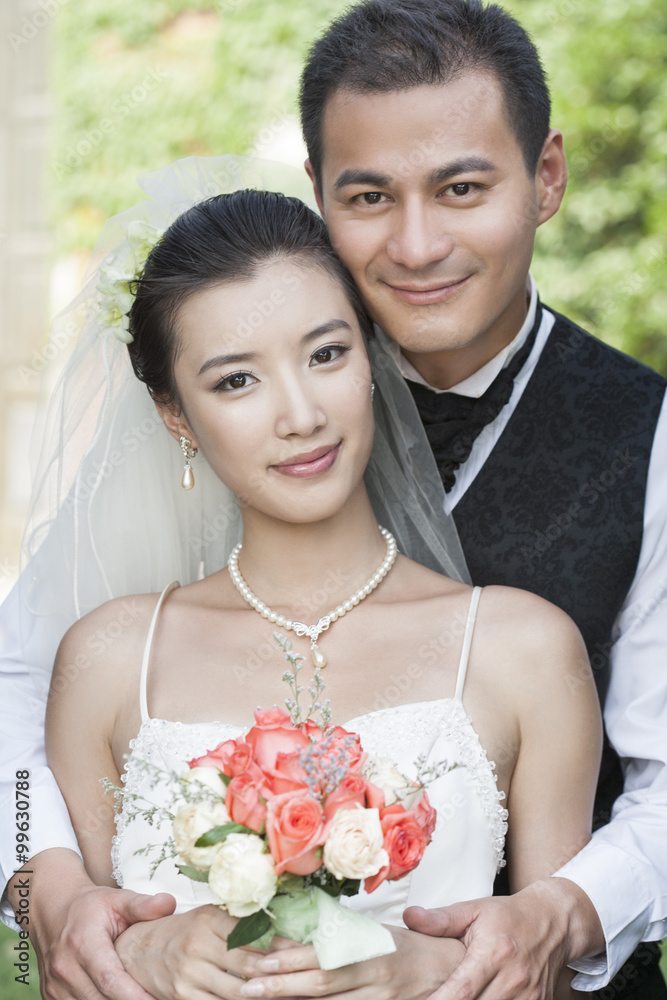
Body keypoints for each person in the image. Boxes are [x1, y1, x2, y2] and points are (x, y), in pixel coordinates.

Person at [42, 185, 599, 1000]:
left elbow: (549, 972)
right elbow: (63, 955)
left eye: (326, 354)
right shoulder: (107, 656)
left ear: (371, 359)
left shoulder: (523, 649)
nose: (300, 414)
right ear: (176, 417)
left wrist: (431, 967)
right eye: (236, 381)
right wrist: (141, 948)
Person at [295, 2, 667, 999]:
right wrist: (42, 881)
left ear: (545, 178)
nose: (416, 247)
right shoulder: (235, 408)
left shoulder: (655, 439)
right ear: (316, 195)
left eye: (460, 188)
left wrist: (562, 910)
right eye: (368, 197)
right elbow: (22, 686)